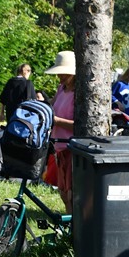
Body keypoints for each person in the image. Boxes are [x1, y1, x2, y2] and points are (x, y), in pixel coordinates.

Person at [46, 51, 77, 213]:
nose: (60, 77)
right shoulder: (61, 89)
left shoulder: (79, 94)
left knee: (72, 192)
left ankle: (74, 224)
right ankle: (69, 220)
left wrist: (57, 121)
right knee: (63, 191)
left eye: (63, 73)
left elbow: (80, 126)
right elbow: (51, 109)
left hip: (72, 148)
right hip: (58, 146)